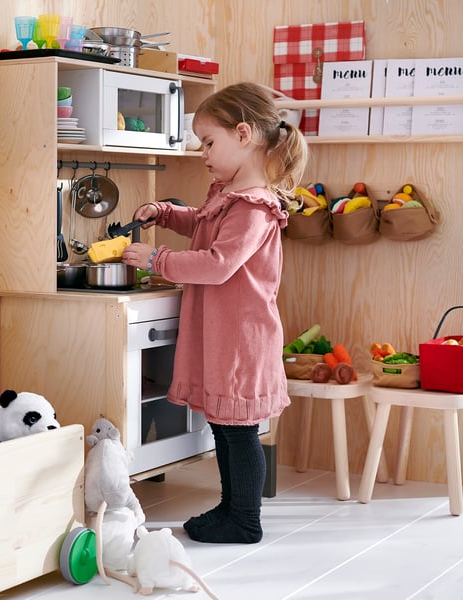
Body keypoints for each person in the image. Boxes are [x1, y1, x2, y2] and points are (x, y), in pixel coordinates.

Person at [122, 82, 309, 544]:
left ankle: (245, 519)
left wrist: (156, 260)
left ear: (243, 134)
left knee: (239, 432)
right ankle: (231, 508)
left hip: (242, 339)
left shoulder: (254, 206)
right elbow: (203, 225)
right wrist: (166, 213)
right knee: (225, 429)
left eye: (209, 142)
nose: (202, 153)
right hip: (225, 334)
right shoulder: (228, 196)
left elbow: (219, 264)